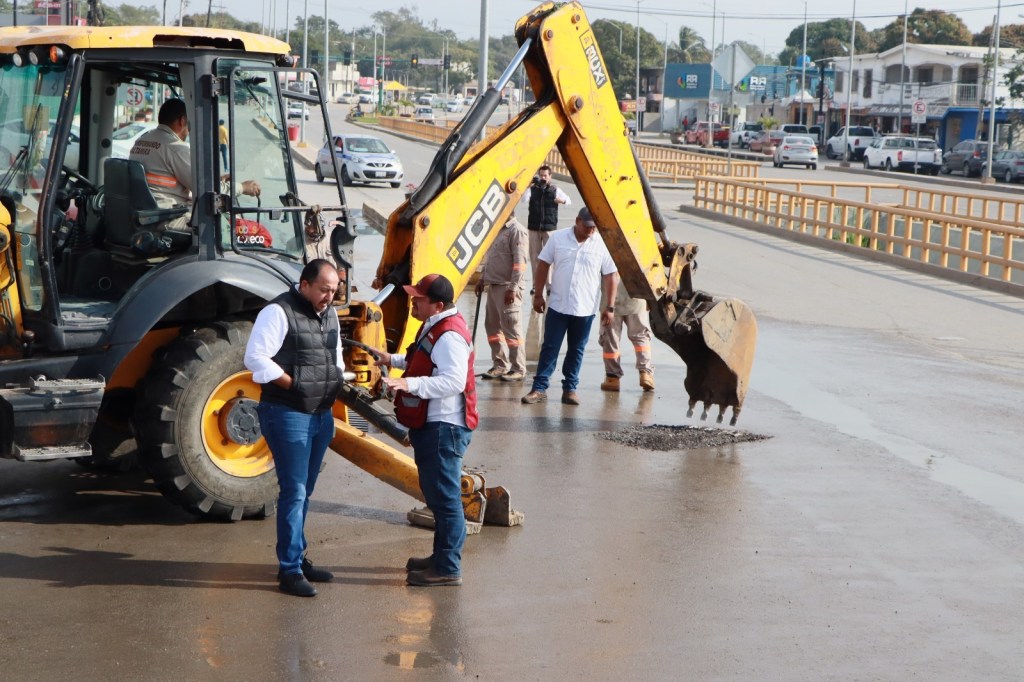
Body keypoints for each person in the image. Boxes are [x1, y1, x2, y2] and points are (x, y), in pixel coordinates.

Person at [243, 259, 344, 598]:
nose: (329, 297)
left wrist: (338, 378)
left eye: (334, 291)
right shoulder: (277, 312)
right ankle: (288, 570)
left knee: (306, 490)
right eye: (323, 290)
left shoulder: (329, 313)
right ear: (304, 285)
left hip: (321, 414)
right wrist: (294, 384)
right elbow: (255, 357)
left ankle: (298, 558)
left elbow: (336, 353)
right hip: (288, 412)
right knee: (294, 491)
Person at [372, 274, 477, 587]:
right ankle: (440, 558)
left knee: (445, 501)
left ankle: (448, 568)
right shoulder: (436, 325)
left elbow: (453, 381)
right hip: (434, 426)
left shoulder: (450, 336)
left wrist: (408, 383)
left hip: (444, 428)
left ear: (438, 305)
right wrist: (392, 360)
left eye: (419, 299)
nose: (413, 302)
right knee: (437, 497)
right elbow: (422, 357)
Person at [521, 206, 617, 406]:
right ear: (577, 221)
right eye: (588, 226)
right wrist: (537, 295)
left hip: (585, 308)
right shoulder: (557, 238)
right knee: (550, 347)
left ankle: (570, 389)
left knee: (577, 349)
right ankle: (539, 388)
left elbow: (610, 276)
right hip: (558, 305)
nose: (591, 230)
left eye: (594, 227)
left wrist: (610, 307)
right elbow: (542, 265)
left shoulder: (601, 244)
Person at [129, 99, 260, 230]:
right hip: (167, 218)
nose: (189, 130)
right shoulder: (175, 148)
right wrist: (242, 187)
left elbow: (167, 177)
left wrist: (218, 180)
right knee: (225, 229)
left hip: (146, 214)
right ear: (182, 121)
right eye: (189, 124)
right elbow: (206, 188)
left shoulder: (141, 141)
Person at [474, 216, 528, 382]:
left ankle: (518, 368)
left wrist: (512, 288)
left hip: (507, 287)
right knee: (492, 327)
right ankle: (500, 364)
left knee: (511, 329)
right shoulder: (497, 229)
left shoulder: (516, 231)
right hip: (494, 285)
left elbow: (520, 263)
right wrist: (483, 278)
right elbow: (491, 258)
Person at [598, 285, 655, 393]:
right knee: (640, 336)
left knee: (611, 338)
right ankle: (645, 373)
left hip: (610, 299)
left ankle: (612, 378)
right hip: (637, 297)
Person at [521, 165, 570, 288]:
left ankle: (549, 286)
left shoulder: (555, 189)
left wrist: (561, 201)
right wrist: (528, 186)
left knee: (549, 258)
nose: (543, 178)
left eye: (545, 176)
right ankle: (535, 285)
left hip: (549, 230)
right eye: (541, 175)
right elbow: (523, 200)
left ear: (550, 176)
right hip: (534, 228)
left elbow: (568, 200)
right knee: (534, 258)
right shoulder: (533, 189)